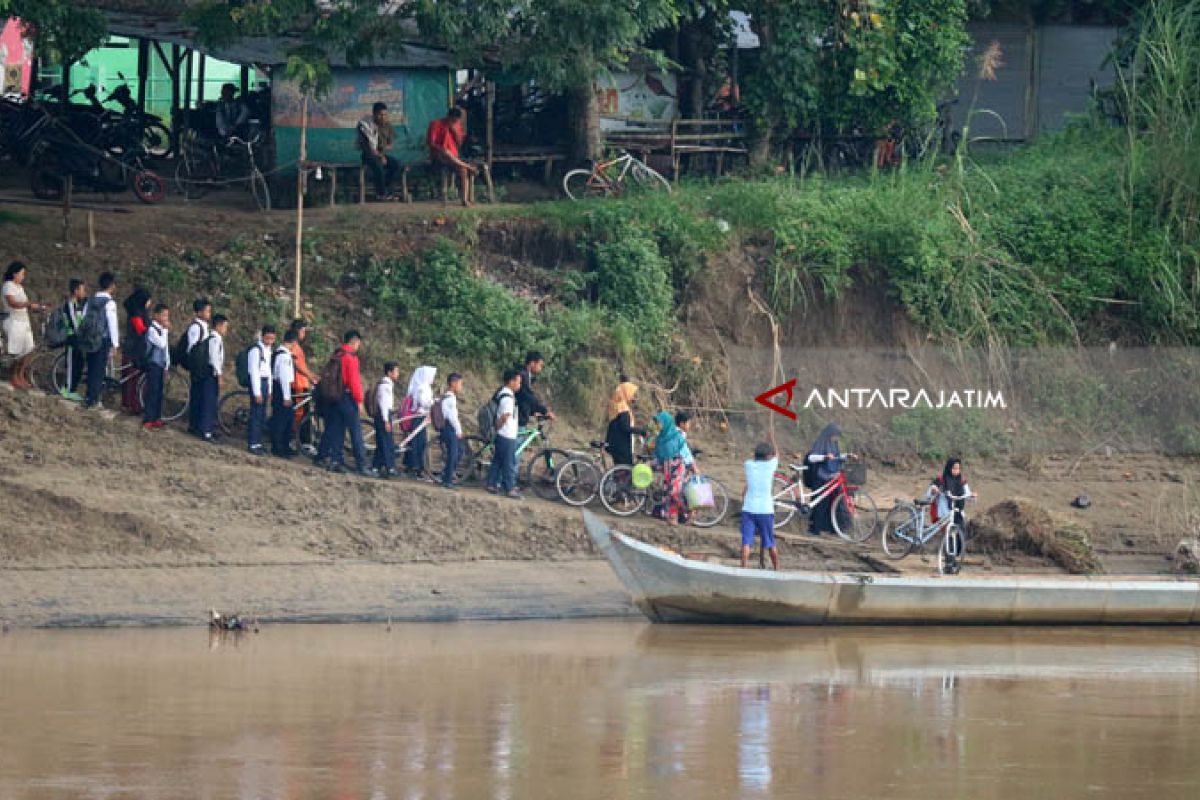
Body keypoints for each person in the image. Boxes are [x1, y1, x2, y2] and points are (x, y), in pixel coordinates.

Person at [318, 330, 375, 476]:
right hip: (347, 398)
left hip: (334, 397)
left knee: (337, 430)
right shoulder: (350, 358)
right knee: (355, 431)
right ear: (355, 341)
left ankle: (336, 460)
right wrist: (359, 400)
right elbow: (354, 381)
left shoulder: (337, 354)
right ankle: (362, 465)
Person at [2, 261, 48, 390]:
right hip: (13, 321)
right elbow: (13, 303)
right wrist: (28, 304)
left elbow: (26, 304)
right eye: (22, 274)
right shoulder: (8, 286)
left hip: (24, 321)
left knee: (28, 350)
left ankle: (20, 375)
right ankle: (13, 375)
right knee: (17, 352)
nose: (23, 276)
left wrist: (37, 307)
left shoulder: (20, 288)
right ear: (15, 273)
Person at [740, 430, 780, 570]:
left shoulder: (748, 465)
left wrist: (766, 440)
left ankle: (743, 568)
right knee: (770, 542)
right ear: (768, 456)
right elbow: (777, 454)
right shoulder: (770, 466)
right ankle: (777, 569)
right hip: (765, 510)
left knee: (746, 542)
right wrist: (772, 438)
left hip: (748, 509)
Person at [426, 107, 476, 207]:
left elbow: (459, 143)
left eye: (456, 121)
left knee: (463, 170)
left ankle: (465, 199)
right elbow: (431, 143)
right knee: (446, 152)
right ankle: (468, 166)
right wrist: (442, 150)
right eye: (453, 120)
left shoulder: (457, 126)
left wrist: (454, 131)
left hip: (454, 158)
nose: (454, 122)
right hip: (439, 156)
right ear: (449, 117)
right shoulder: (436, 124)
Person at [83, 272, 120, 410]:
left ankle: (89, 396)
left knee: (91, 367)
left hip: (89, 339)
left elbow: (84, 318)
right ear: (111, 286)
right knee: (99, 371)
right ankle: (94, 400)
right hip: (102, 339)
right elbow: (112, 324)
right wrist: (115, 344)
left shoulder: (90, 300)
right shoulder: (109, 303)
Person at [485, 368, 522, 499]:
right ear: (511, 382)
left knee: (498, 461)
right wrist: (498, 428)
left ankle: (491, 484)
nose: (519, 385)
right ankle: (510, 488)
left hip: (503, 434)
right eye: (518, 382)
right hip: (506, 435)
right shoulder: (508, 397)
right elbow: (505, 416)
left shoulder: (502, 393)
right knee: (509, 463)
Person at [285, 319, 319, 451]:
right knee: (298, 413)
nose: (304, 334)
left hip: (302, 383)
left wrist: (311, 376)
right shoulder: (294, 346)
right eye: (303, 331)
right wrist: (311, 376)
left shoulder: (297, 346)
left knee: (302, 412)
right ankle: (294, 439)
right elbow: (297, 365)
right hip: (297, 384)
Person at [804, 423, 843, 535]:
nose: (836, 438)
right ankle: (814, 528)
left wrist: (847, 456)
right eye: (835, 436)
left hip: (832, 476)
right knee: (820, 504)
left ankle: (830, 528)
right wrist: (824, 457)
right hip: (821, 477)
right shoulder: (821, 443)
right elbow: (811, 457)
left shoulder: (834, 444)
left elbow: (836, 457)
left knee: (831, 503)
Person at [358, 101, 399, 200]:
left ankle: (386, 188)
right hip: (368, 154)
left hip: (382, 154)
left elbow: (390, 144)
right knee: (378, 165)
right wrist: (380, 156)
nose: (383, 117)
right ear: (374, 114)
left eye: (385, 114)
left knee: (396, 164)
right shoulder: (365, 125)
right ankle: (381, 194)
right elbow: (367, 147)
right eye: (380, 114)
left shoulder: (388, 126)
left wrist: (383, 153)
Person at [120, 287, 151, 414]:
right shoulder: (136, 313)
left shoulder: (137, 311)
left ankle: (131, 403)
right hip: (134, 350)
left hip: (134, 348)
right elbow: (140, 329)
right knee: (133, 378)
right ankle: (133, 405)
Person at [184, 299, 213, 435]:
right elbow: (192, 348)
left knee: (201, 396)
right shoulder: (196, 327)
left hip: (202, 367)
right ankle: (193, 425)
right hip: (198, 367)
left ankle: (196, 424)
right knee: (196, 396)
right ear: (199, 312)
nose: (209, 314)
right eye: (207, 311)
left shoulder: (204, 326)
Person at [198, 314, 228, 442]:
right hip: (211, 373)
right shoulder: (214, 339)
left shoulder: (216, 339)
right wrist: (219, 374)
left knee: (211, 401)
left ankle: (208, 428)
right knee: (209, 402)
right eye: (225, 326)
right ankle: (206, 431)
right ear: (219, 326)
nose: (226, 329)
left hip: (212, 373)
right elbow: (214, 358)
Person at [403, 365, 437, 478]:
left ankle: (413, 466)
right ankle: (416, 467)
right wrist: (434, 402)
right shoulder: (422, 387)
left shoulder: (423, 386)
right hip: (418, 417)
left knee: (416, 441)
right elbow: (423, 402)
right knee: (418, 442)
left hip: (421, 417)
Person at [247, 324, 275, 455]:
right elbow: (254, 372)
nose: (269, 341)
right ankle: (253, 443)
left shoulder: (268, 350)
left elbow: (269, 371)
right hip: (258, 383)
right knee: (256, 414)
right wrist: (257, 392)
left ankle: (258, 442)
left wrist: (269, 390)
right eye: (267, 338)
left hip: (265, 383)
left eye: (272, 339)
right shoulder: (256, 350)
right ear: (262, 336)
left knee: (262, 415)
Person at [142, 303, 170, 431]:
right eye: (163, 315)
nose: (165, 318)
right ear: (156, 315)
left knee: (159, 392)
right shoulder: (152, 330)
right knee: (152, 392)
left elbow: (166, 349)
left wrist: (166, 365)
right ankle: (148, 418)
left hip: (161, 364)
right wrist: (164, 330)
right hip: (153, 363)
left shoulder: (163, 330)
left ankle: (156, 418)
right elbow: (161, 343)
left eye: (167, 315)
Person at [270, 329, 298, 458]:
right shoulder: (284, 356)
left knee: (286, 419)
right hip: (282, 390)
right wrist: (287, 396)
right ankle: (278, 447)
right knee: (282, 420)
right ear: (293, 342)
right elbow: (284, 377)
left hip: (280, 388)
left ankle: (284, 446)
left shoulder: (279, 353)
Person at [605, 379, 645, 467]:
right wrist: (640, 431)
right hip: (621, 445)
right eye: (632, 393)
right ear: (626, 393)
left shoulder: (615, 404)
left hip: (613, 441)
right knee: (625, 469)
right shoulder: (623, 408)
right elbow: (625, 427)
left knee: (619, 469)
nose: (633, 396)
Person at [59, 278, 88, 399]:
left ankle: (73, 390)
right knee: (71, 365)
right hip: (72, 338)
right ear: (76, 291)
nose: (84, 292)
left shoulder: (78, 304)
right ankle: (67, 390)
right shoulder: (70, 303)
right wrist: (80, 333)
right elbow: (73, 322)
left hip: (79, 339)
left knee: (79, 364)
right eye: (82, 290)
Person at [371, 362, 401, 479]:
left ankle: (376, 466)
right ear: (389, 372)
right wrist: (386, 420)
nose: (398, 374)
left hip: (384, 415)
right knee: (386, 442)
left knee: (381, 441)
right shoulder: (385, 386)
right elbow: (383, 404)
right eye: (396, 371)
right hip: (383, 416)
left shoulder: (386, 384)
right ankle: (390, 467)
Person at [438, 372, 464, 489]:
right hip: (449, 428)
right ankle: (447, 480)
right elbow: (453, 418)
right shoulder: (450, 399)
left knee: (458, 451)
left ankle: (447, 474)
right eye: (460, 384)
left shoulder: (445, 396)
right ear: (453, 384)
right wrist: (458, 430)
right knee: (453, 454)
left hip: (445, 428)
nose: (461, 387)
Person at [928, 457, 973, 523]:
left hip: (957, 508)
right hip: (942, 509)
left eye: (958, 469)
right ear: (949, 468)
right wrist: (934, 490)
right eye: (954, 468)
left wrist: (971, 495)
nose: (956, 471)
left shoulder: (961, 481)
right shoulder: (941, 479)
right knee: (944, 525)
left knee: (960, 525)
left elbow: (967, 493)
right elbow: (932, 489)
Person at [515, 351, 554, 429]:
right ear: (532, 363)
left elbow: (523, 398)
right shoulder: (522, 375)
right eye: (540, 365)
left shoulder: (526, 375)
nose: (540, 368)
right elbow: (528, 397)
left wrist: (533, 412)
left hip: (519, 416)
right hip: (517, 419)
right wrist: (545, 411)